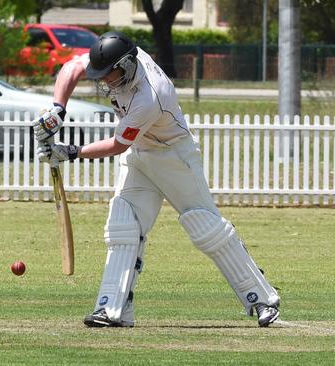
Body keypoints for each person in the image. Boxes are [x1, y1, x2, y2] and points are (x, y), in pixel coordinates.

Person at [32, 31, 280, 328]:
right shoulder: (114, 61)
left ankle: (262, 298)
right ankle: (114, 310)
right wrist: (57, 110)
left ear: (125, 65)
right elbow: (71, 69)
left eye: (107, 75)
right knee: (123, 224)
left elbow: (117, 145)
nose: (103, 82)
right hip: (140, 154)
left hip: (174, 156)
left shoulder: (150, 96)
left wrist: (70, 152)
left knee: (205, 226)